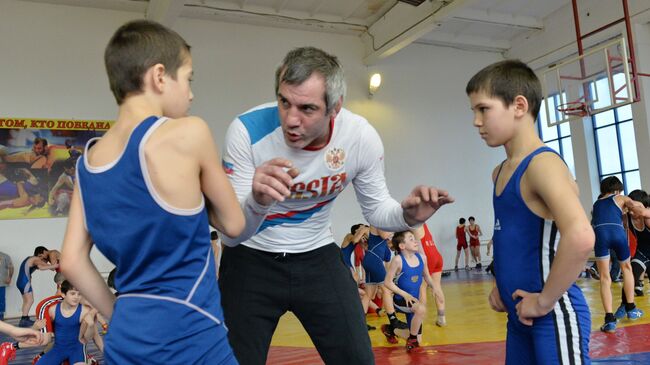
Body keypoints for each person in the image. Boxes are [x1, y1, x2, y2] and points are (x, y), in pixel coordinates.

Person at [219, 46, 453, 365]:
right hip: (250, 258)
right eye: (284, 101)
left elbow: (375, 211)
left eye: (307, 108)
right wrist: (257, 202)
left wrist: (405, 216)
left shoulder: (358, 138)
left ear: (335, 107)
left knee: (357, 358)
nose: (291, 119)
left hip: (317, 256)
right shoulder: (246, 131)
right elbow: (232, 236)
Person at [59, 19, 245, 364]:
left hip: (127, 336)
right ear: (160, 76)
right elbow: (234, 225)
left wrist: (117, 313)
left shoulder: (87, 163)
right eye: (188, 79)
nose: (190, 93)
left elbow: (70, 260)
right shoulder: (190, 132)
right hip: (191, 331)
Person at [466, 59, 594, 364]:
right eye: (474, 111)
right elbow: (513, 234)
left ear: (519, 106)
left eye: (483, 109)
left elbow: (581, 236)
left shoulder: (542, 165)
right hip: (520, 316)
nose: (476, 121)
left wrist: (545, 300)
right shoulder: (499, 173)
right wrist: (501, 282)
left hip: (553, 316)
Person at [592, 176, 645, 333]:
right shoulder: (620, 197)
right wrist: (638, 205)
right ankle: (631, 307)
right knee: (626, 268)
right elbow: (639, 210)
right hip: (617, 233)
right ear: (617, 189)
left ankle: (609, 320)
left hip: (600, 235)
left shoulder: (596, 203)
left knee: (604, 277)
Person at [381, 231, 436, 352]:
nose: (415, 241)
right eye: (411, 239)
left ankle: (391, 330)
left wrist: (434, 287)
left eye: (414, 238)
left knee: (418, 340)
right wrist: (404, 294)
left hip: (413, 301)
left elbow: (426, 276)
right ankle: (412, 338)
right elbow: (387, 282)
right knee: (420, 309)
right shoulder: (398, 260)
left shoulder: (422, 257)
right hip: (401, 300)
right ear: (402, 246)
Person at [35, 280, 96, 365]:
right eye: (72, 293)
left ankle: (88, 360)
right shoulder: (52, 310)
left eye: (79, 294)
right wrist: (35, 327)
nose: (76, 297)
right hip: (58, 349)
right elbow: (46, 331)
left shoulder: (84, 311)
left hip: (77, 349)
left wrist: (91, 325)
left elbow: (86, 338)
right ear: (63, 295)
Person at [17, 246, 58, 327]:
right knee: (30, 300)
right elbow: (42, 267)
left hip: (20, 281)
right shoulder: (36, 259)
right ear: (41, 253)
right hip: (24, 282)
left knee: (26, 301)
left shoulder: (31, 259)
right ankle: (24, 319)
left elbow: (41, 266)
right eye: (42, 257)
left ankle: (25, 318)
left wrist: (51, 266)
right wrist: (55, 266)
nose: (43, 259)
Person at [413, 223, 446, 326]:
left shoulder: (413, 224)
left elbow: (418, 246)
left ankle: (420, 319)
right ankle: (442, 318)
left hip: (427, 256)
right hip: (436, 255)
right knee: (436, 286)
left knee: (422, 287)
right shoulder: (422, 222)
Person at [0, 251, 12, 321]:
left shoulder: (5, 256)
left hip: (1, 283)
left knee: (1, 300)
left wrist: (9, 277)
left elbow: (11, 267)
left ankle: (1, 318)